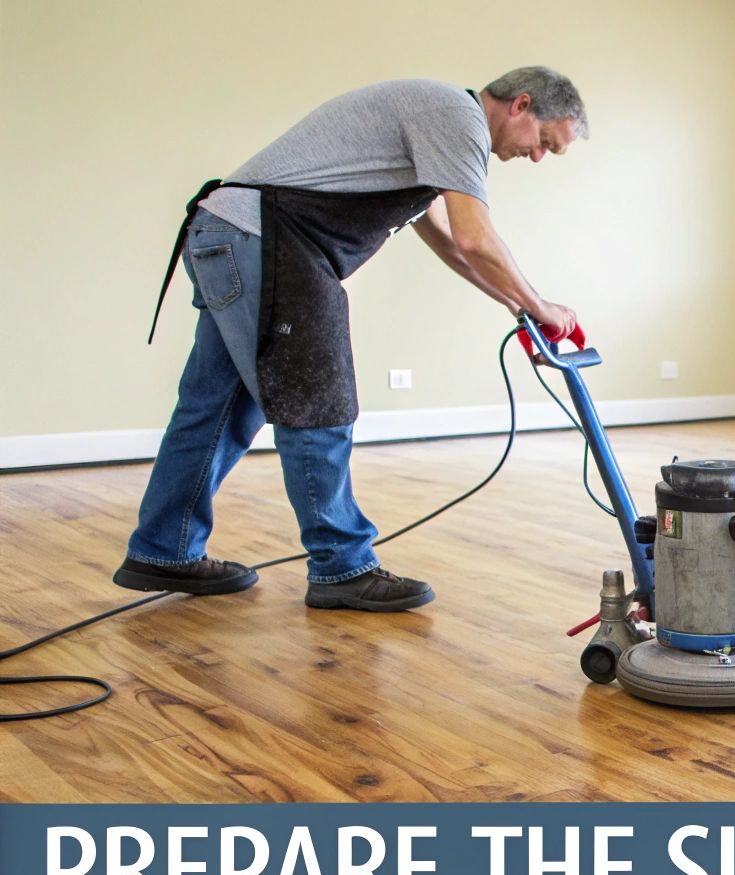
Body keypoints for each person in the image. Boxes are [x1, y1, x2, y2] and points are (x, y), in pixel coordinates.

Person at [116, 68, 586, 611]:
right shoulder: (459, 118)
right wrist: (544, 306)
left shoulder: (438, 120)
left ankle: (162, 549)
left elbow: (451, 243)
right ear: (521, 105)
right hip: (268, 241)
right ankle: (341, 566)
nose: (535, 158)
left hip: (229, 234)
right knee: (318, 399)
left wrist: (515, 303)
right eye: (543, 143)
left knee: (217, 407)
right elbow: (474, 236)